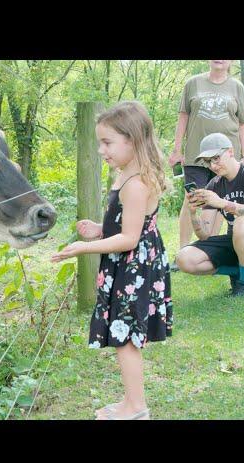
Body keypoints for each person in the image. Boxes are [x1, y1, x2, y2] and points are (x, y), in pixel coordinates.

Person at [51, 101, 172, 420]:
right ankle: (130, 400)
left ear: (132, 140)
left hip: (132, 266)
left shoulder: (135, 184)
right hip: (130, 262)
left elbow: (130, 238)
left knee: (126, 338)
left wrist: (81, 248)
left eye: (107, 142)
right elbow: (128, 225)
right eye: (99, 143)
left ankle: (136, 408)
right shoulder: (128, 175)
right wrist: (100, 229)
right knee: (124, 336)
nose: (102, 150)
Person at [176, 133, 244, 296]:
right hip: (237, 245)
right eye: (207, 162)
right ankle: (237, 271)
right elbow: (206, 236)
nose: (212, 166)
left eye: (216, 158)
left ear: (231, 152)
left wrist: (222, 203)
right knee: (184, 258)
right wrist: (193, 214)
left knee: (242, 222)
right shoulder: (214, 185)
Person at [168, 60, 244, 271]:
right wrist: (177, 150)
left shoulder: (237, 87)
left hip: (227, 157)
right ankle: (183, 250)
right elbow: (183, 117)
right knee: (193, 199)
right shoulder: (193, 84)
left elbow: (242, 123)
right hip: (197, 155)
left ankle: (207, 250)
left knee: (217, 202)